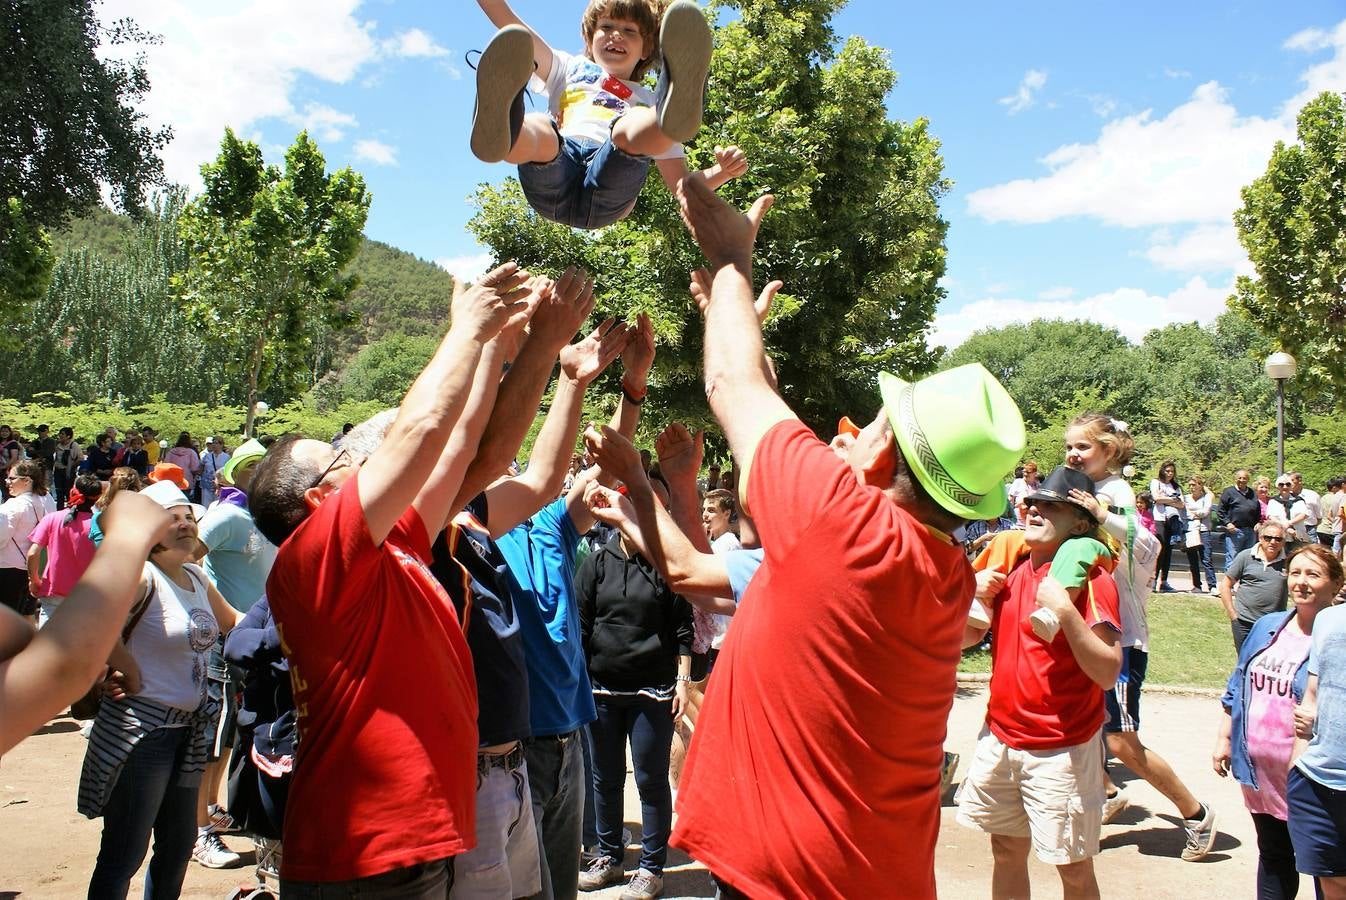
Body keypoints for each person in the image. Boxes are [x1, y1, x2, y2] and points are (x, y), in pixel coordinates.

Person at [663, 174, 1027, 898]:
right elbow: (769, 418)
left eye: (873, 427)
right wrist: (729, 314)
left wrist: (733, 256)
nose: (849, 436)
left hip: (786, 882)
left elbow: (734, 387)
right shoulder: (941, 571)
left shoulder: (840, 521)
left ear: (888, 457)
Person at [245, 262, 529, 892]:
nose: (359, 455)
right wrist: (463, 331)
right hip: (365, 862)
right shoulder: (314, 557)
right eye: (340, 457)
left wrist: (492, 346)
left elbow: (461, 453)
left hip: (399, 855)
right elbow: (422, 430)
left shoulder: (381, 550)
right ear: (319, 501)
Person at [958, 467, 1123, 900]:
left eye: (1051, 506)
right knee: (1006, 850)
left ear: (1081, 524)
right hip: (1000, 738)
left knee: (1071, 867)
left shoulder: (1091, 579)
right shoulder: (1009, 569)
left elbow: (1108, 671)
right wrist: (972, 596)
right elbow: (963, 640)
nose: (1034, 510)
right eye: (1033, 502)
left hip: (1061, 747)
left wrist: (1065, 613)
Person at [1063, 413, 1218, 859]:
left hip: (1121, 640)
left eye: (1083, 447)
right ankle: (1107, 794)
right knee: (1081, 728)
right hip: (1088, 633)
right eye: (1069, 446)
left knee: (1120, 741)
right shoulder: (1084, 488)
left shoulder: (1115, 492)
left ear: (1108, 450)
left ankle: (1196, 813)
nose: (1073, 454)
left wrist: (1101, 515)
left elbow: (1146, 546)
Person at [79, 479, 242, 898]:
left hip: (187, 731)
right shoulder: (141, 577)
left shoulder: (194, 575)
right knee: (125, 852)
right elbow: (91, 623)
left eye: (190, 516)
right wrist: (125, 666)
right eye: (173, 519)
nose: (186, 524)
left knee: (177, 846)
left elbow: (234, 623)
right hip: (142, 733)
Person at [471, 0, 747, 229]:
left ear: (646, 49)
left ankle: (678, 92)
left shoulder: (651, 103)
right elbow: (510, 24)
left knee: (633, 123)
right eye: (606, 26)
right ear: (590, 38)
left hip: (608, 190)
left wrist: (720, 172)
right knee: (540, 126)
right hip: (557, 167)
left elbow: (681, 186)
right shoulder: (568, 68)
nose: (616, 34)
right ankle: (504, 133)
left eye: (629, 31)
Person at [575, 471, 693, 899]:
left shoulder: (665, 564)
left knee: (649, 778)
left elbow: (683, 628)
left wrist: (682, 680)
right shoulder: (597, 562)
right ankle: (607, 855)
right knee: (604, 778)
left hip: (653, 691)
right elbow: (582, 623)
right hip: (601, 690)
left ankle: (651, 867)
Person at [0, 491, 174, 757]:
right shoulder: (91, 522)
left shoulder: (55, 520)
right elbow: (64, 667)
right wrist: (129, 536)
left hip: (58, 595)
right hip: (84, 601)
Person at [1214, 544, 1341, 900]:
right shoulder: (1269, 625)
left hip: (1309, 773)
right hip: (1260, 771)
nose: (1301, 582)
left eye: (1313, 574)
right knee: (1273, 855)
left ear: (1335, 584)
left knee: (1323, 866)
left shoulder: (1337, 635)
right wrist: (1224, 737)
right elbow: (1238, 681)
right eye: (1295, 572)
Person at [192, 438, 274, 870]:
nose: (258, 472)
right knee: (215, 732)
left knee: (231, 732)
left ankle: (210, 808)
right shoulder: (226, 514)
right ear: (234, 472)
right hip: (225, 640)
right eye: (250, 466)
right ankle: (198, 831)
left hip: (251, 638)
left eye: (264, 465)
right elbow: (188, 561)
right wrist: (219, 614)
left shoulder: (261, 515)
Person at [1288, 551, 1346, 900]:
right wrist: (1298, 761)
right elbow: (1310, 699)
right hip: (1316, 781)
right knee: (1333, 883)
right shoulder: (1330, 621)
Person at [26, 473, 102, 627]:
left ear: (73, 492)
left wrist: (34, 580)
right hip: (86, 595)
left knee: (47, 644)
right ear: (97, 497)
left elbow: (33, 552)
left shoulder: (52, 518)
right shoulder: (101, 524)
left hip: (53, 590)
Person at [1222, 522, 1291, 652]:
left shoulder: (1288, 562)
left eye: (1278, 539)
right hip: (1243, 622)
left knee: (1264, 663)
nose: (1272, 542)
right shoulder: (1245, 556)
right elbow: (1225, 585)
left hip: (1272, 624)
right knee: (1244, 663)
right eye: (1268, 538)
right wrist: (1233, 615)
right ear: (1260, 538)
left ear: (1283, 542)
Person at [0, 461, 50, 619]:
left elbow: (1, 538)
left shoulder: (13, 505)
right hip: (31, 569)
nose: (7, 482)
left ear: (27, 480)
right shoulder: (44, 501)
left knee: (6, 620)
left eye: (12, 478)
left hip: (7, 568)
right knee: (22, 617)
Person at [1150, 460, 1185, 592]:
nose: (1170, 474)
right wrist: (1172, 500)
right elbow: (1156, 498)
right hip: (1159, 519)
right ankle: (1153, 580)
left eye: (1172, 471)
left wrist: (1166, 499)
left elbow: (1182, 504)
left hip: (1173, 521)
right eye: (1167, 471)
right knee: (1159, 549)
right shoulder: (1156, 482)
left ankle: (1164, 581)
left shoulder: (1175, 486)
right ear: (1162, 470)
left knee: (1169, 552)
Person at [1220, 469, 1262, 573]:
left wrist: (1258, 523)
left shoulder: (1252, 493)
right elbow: (1221, 510)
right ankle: (1229, 586)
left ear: (1248, 480)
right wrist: (1227, 523)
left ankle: (1244, 585)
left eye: (1244, 478)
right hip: (1235, 531)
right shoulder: (1229, 492)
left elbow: (1257, 510)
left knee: (1249, 559)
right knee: (1232, 558)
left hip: (1250, 531)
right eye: (1240, 478)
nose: (1242, 480)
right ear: (1236, 478)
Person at [1184, 474, 1218, 594]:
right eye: (1190, 485)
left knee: (1206, 558)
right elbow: (1185, 513)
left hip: (1204, 530)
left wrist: (1194, 513)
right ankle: (1196, 585)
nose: (1192, 487)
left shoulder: (1206, 497)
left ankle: (1212, 585)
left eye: (1194, 485)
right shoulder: (1186, 498)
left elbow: (1206, 511)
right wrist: (1195, 514)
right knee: (1193, 560)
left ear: (1200, 485)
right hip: (1190, 530)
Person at [1269, 474, 1312, 546]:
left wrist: (1289, 523)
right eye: (1281, 485)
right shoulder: (1273, 501)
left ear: (1291, 486)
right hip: (1280, 535)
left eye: (1288, 484)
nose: (1285, 487)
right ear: (1277, 487)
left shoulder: (1299, 500)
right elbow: (1271, 517)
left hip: (1298, 534)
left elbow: (1304, 514)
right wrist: (1287, 528)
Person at [52, 427, 83, 508]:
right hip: (58, 471)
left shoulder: (74, 445)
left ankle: (69, 511)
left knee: (68, 492)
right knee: (59, 493)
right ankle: (59, 511)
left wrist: (72, 466)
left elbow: (80, 458)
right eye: (60, 434)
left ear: (68, 436)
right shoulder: (58, 445)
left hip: (68, 472)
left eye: (63, 434)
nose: (60, 436)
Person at [164, 433, 202, 499]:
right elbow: (194, 468)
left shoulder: (171, 452)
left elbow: (165, 466)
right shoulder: (191, 452)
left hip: (172, 482)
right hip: (186, 481)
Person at [200, 437, 230, 508]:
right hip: (207, 484)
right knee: (205, 505)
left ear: (221, 445)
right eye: (213, 443)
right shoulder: (207, 456)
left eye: (216, 443)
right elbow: (201, 468)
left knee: (217, 504)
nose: (214, 445)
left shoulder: (226, 457)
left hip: (220, 485)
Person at [1316, 477, 1342, 549]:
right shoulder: (1337, 498)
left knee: (1325, 554)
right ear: (1334, 488)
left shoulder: (1323, 497)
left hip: (1321, 529)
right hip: (1330, 530)